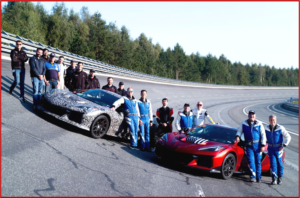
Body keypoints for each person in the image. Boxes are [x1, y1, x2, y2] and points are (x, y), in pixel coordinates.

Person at [235, 110, 266, 183]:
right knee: (251, 161)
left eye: (253, 115)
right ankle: (253, 176)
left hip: (257, 145)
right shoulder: (244, 123)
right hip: (248, 145)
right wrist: (237, 136)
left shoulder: (259, 123)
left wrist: (262, 145)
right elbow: (239, 131)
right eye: (250, 115)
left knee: (258, 161)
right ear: (248, 115)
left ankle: (259, 177)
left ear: (255, 116)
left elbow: (263, 135)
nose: (251, 116)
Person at [265, 115, 291, 185]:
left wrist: (284, 145)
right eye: (271, 120)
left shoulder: (280, 128)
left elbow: (288, 137)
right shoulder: (266, 128)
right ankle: (274, 179)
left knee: (280, 163)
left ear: (276, 120)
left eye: (273, 120)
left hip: (278, 148)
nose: (272, 121)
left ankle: (280, 177)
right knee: (273, 163)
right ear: (269, 120)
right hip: (270, 148)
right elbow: (263, 136)